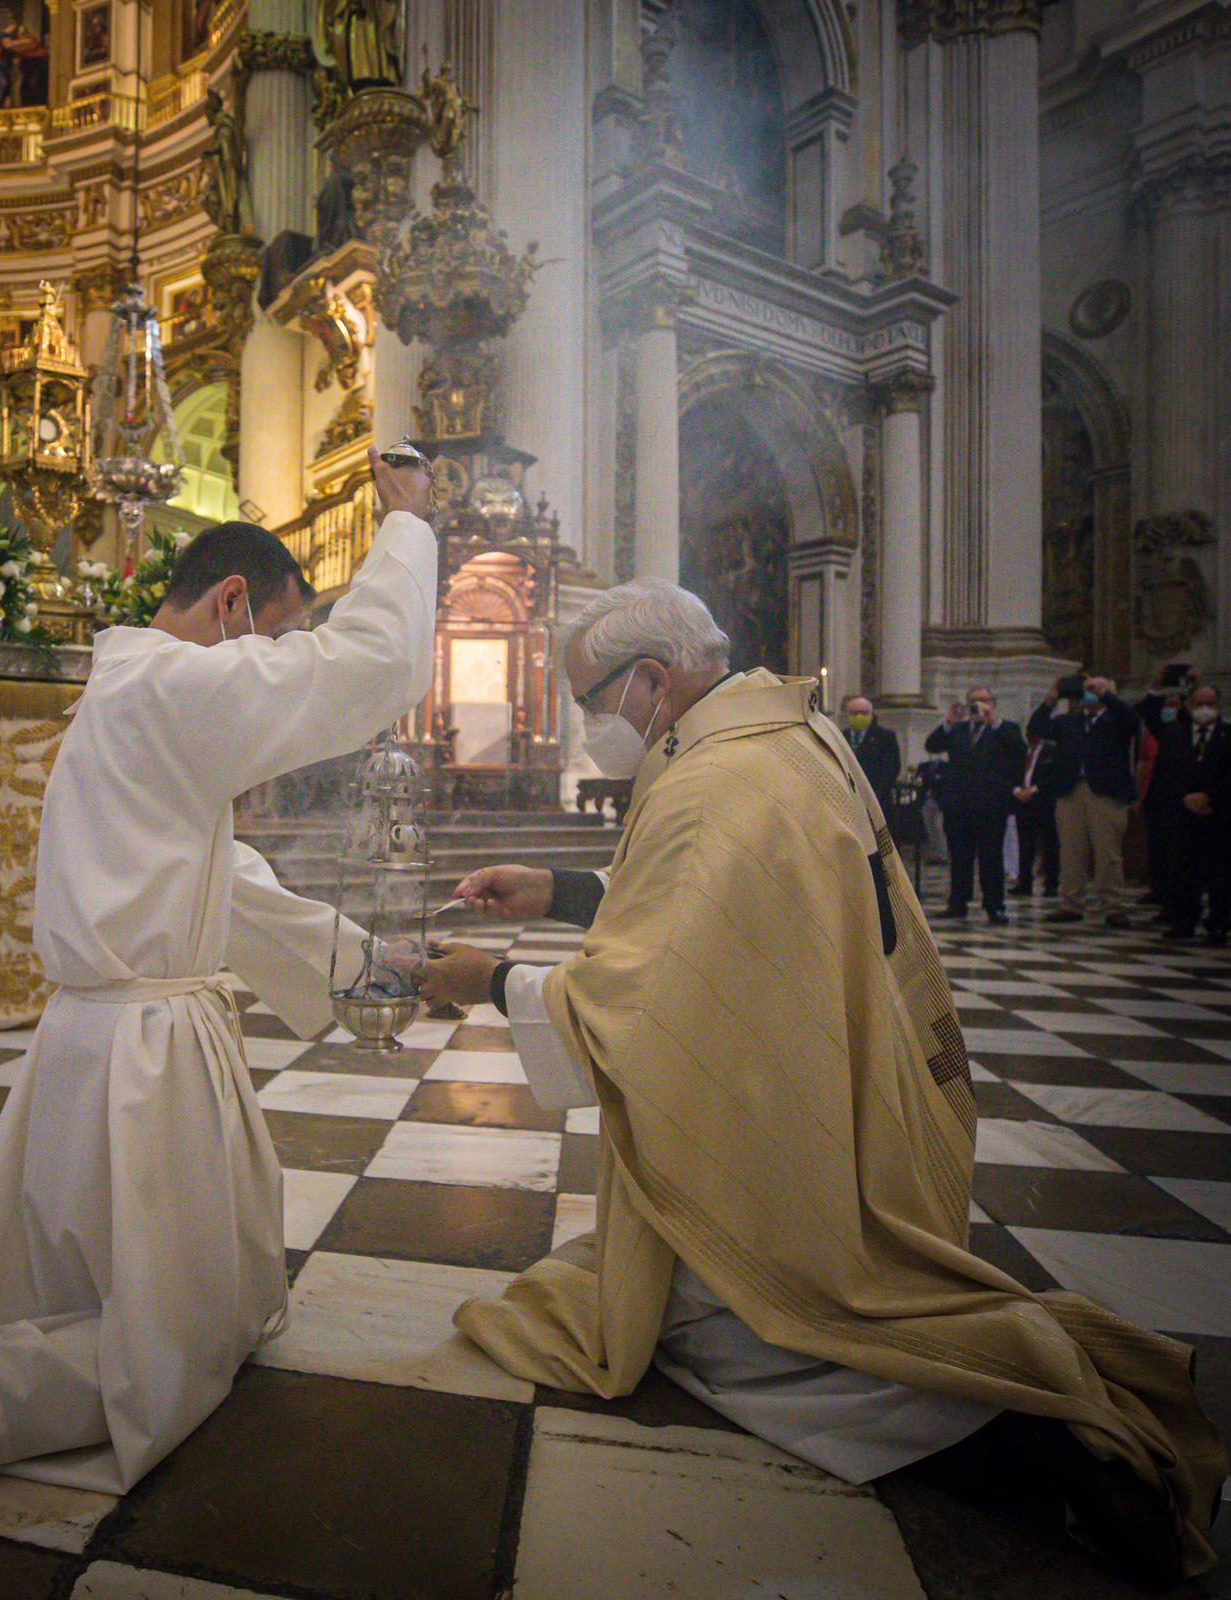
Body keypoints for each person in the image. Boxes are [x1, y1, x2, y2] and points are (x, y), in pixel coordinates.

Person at [416, 577, 1223, 1591]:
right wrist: (563, 888)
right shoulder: (773, 737)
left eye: (591, 701)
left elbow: (638, 997)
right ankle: (1023, 1412)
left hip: (767, 1102)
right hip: (811, 1062)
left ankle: (1033, 1444)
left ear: (653, 680)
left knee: (738, 1333)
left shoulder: (718, 783)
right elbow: (709, 903)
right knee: (655, 1288)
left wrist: (488, 980)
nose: (591, 724)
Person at [0, 446, 438, 1518]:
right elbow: (366, 669)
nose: (277, 668)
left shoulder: (133, 696)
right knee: (172, 1344)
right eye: (278, 640)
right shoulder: (177, 684)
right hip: (146, 1062)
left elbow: (222, 882)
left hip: (106, 1044)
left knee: (37, 1284)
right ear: (235, 604)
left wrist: (359, 962)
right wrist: (408, 524)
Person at [1028, 675, 1139, 927]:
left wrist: (1106, 695)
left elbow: (1133, 722)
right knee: (1070, 850)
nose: (1088, 693)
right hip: (1071, 791)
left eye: (1094, 689)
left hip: (1106, 793)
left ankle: (1112, 905)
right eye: (1087, 689)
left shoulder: (1117, 720)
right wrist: (1050, 700)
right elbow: (1036, 729)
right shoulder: (1069, 721)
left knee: (1107, 852)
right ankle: (1071, 903)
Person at [924, 689, 1026, 925]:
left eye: (983, 702)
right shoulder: (958, 730)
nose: (977, 706)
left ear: (993, 704)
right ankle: (958, 903)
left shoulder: (1005, 729)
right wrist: (948, 722)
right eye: (973, 702)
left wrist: (994, 722)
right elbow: (932, 744)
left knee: (991, 859)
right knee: (959, 858)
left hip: (991, 806)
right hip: (959, 807)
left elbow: (1018, 751)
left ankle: (994, 906)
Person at [1158, 683, 1231, 946]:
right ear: (1188, 706)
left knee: (1219, 873)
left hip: (1218, 813)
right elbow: (1165, 772)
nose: (1204, 709)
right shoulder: (1174, 734)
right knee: (1182, 871)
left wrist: (1209, 797)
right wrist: (1185, 798)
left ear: (1218, 706)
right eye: (1199, 703)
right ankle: (1184, 921)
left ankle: (1219, 923)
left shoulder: (1227, 734)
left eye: (1210, 703)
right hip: (1183, 813)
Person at [1135, 668, 1196, 916]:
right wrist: (1156, 686)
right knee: (1157, 847)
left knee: (1181, 852)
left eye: (1176, 701)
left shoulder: (1190, 720)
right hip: (1157, 794)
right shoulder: (1161, 723)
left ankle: (1178, 902)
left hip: (1185, 795)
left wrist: (1192, 688)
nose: (1171, 704)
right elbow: (1145, 713)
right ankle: (1159, 890)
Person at [1012, 734, 1062, 898]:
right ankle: (1024, 882)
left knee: (1049, 844)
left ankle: (1051, 884)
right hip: (1023, 803)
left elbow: (1054, 775)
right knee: (1025, 845)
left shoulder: (1051, 750)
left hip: (1043, 802)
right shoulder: (1022, 751)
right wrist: (1017, 790)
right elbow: (1012, 772)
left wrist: (1033, 789)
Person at [841, 693, 901, 820]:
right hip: (848, 800)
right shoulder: (841, 736)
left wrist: (873, 795)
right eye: (854, 713)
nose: (859, 716)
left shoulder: (885, 737)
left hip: (877, 800)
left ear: (871, 714)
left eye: (864, 712)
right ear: (847, 714)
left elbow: (892, 768)